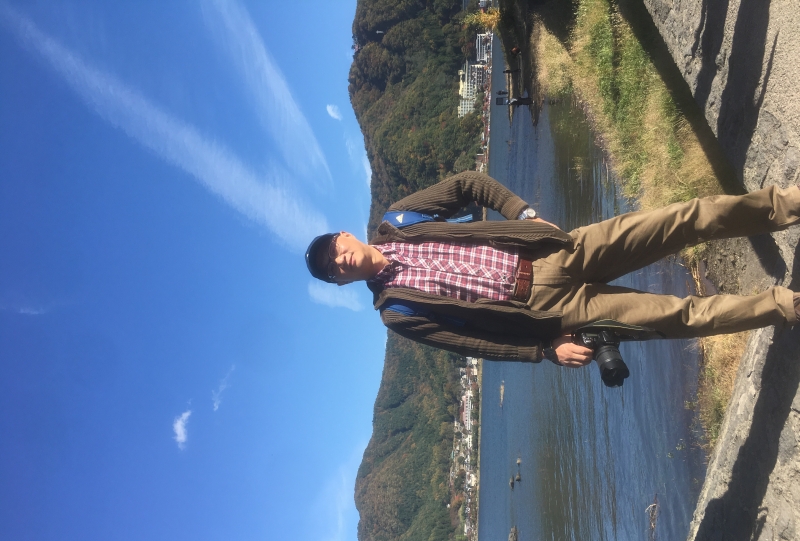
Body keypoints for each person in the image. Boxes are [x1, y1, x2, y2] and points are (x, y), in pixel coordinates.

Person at [305, 172, 800, 367]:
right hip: (553, 310)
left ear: (345, 235)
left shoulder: (399, 218)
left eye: (334, 250)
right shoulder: (395, 312)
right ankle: (784, 305)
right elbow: (469, 342)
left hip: (555, 251)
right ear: (341, 282)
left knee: (681, 220)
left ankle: (785, 205)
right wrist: (543, 349)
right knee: (679, 317)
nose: (339, 261)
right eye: (332, 270)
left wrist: (521, 213)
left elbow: (468, 185)